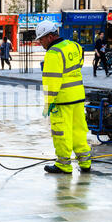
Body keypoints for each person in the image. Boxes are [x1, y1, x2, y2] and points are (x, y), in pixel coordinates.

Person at [36, 20, 91, 175]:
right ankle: (85, 162)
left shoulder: (53, 53)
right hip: (78, 97)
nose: (40, 42)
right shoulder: (73, 45)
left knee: (61, 132)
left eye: (41, 39)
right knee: (79, 131)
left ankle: (63, 165)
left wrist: (49, 103)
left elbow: (51, 81)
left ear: (50, 37)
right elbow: (79, 60)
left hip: (62, 100)